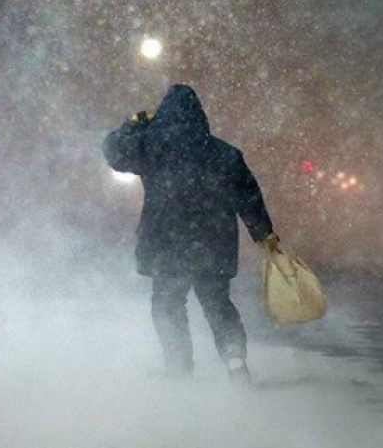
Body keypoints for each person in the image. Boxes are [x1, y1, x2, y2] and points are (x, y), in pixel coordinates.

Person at [103, 84, 279, 382]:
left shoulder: (151, 145)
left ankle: (179, 367)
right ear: (199, 115)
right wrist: (263, 233)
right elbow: (248, 196)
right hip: (213, 241)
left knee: (168, 303)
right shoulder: (224, 152)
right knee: (218, 304)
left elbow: (112, 151)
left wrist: (133, 125)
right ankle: (235, 362)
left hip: (166, 242)